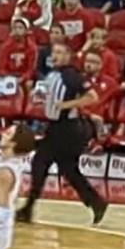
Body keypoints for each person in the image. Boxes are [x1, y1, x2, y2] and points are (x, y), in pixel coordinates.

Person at [17, 42, 108, 225]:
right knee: (68, 170)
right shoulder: (51, 75)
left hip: (69, 128)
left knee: (41, 162)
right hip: (55, 126)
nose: (55, 55)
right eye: (53, 52)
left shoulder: (72, 75)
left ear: (68, 55)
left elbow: (92, 97)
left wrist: (66, 105)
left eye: (59, 52)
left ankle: (28, 209)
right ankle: (96, 202)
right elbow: (42, 98)